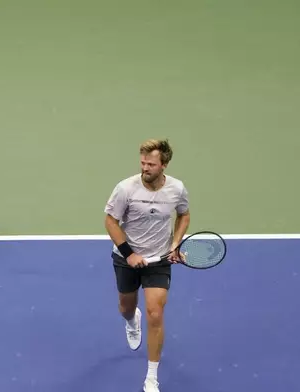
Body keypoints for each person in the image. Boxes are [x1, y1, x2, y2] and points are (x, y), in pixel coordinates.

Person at [103, 139, 190, 392]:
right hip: (126, 259)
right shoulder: (125, 189)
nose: (145, 168)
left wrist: (175, 245)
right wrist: (129, 254)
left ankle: (151, 377)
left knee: (156, 313)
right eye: (142, 163)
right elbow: (110, 222)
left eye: (151, 164)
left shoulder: (177, 189)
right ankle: (132, 320)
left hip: (159, 260)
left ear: (164, 164)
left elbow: (184, 214)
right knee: (126, 307)